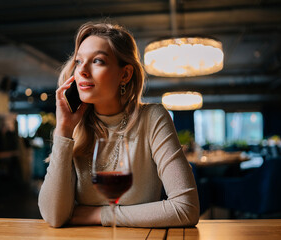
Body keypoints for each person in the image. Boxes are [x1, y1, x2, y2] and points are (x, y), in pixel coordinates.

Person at [38, 22, 200, 228]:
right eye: (79, 61)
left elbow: (186, 208)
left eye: (97, 61)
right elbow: (54, 217)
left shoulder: (152, 118)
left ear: (125, 75)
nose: (83, 71)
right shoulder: (73, 129)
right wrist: (63, 129)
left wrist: (98, 215)